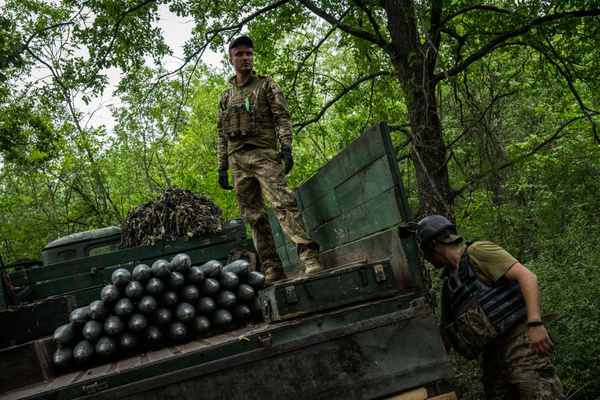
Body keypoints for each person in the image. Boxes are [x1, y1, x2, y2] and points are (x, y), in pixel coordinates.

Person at [418, 215, 563, 399]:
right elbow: (444, 333)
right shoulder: (449, 287)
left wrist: (535, 325)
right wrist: (433, 373)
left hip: (520, 346)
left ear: (433, 243)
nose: (424, 258)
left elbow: (527, 277)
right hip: (491, 360)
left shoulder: (478, 252)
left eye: (423, 250)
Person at [216, 36, 323, 284]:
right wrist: (222, 166)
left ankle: (309, 258)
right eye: (240, 54)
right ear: (231, 59)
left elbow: (282, 117)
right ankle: (272, 267)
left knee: (284, 205)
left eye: (249, 53)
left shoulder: (267, 85)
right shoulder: (225, 96)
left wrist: (286, 148)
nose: (245, 58)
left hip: (264, 154)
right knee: (254, 217)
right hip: (237, 161)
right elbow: (222, 133)